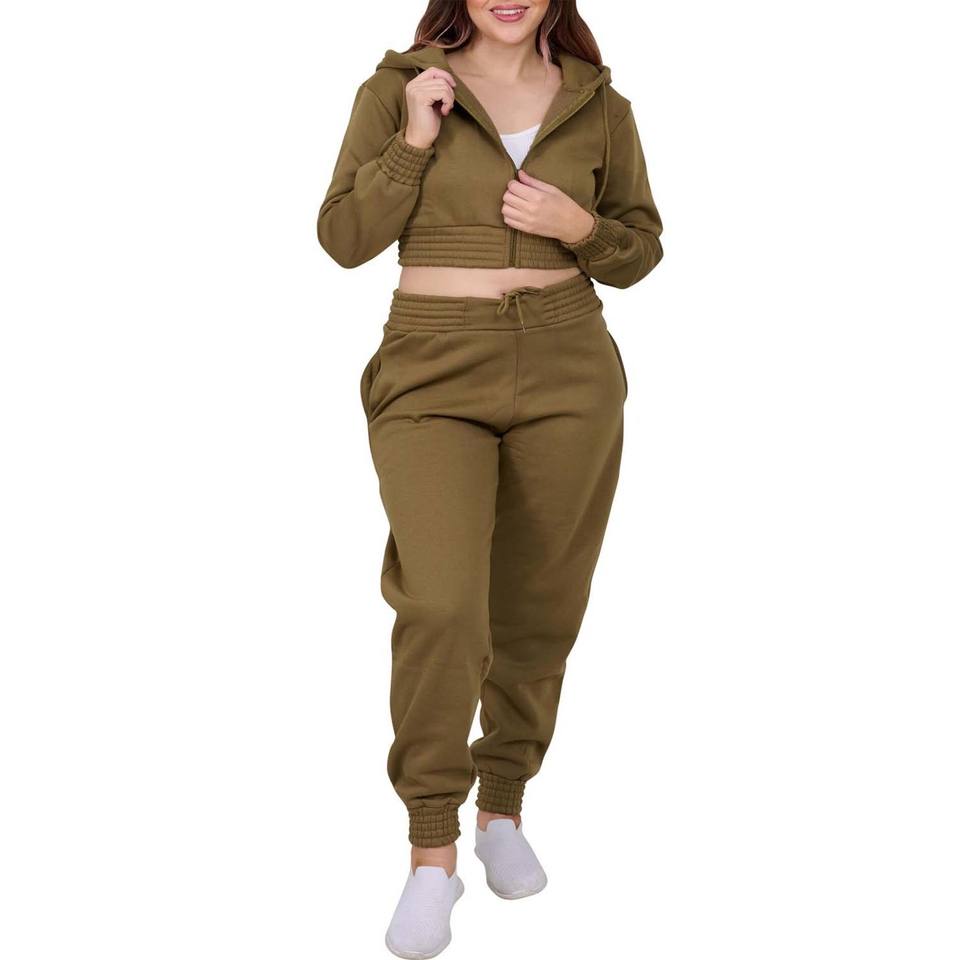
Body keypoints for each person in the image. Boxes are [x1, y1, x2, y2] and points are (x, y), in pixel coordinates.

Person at [316, 1, 662, 955]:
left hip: (568, 362)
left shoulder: (601, 105)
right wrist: (411, 146)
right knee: (442, 602)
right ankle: (432, 851)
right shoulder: (400, 89)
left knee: (541, 603)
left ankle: (503, 804)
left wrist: (580, 226)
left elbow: (640, 251)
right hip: (432, 365)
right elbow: (343, 238)